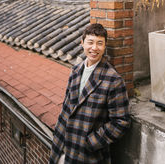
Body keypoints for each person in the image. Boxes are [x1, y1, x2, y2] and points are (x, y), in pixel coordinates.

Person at [49, 23, 130, 164]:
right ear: (82, 43)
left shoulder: (113, 79)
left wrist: (91, 142)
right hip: (61, 147)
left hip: (87, 155)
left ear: (105, 46)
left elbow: (121, 122)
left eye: (100, 43)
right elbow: (67, 107)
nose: (94, 48)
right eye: (90, 42)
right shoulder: (75, 71)